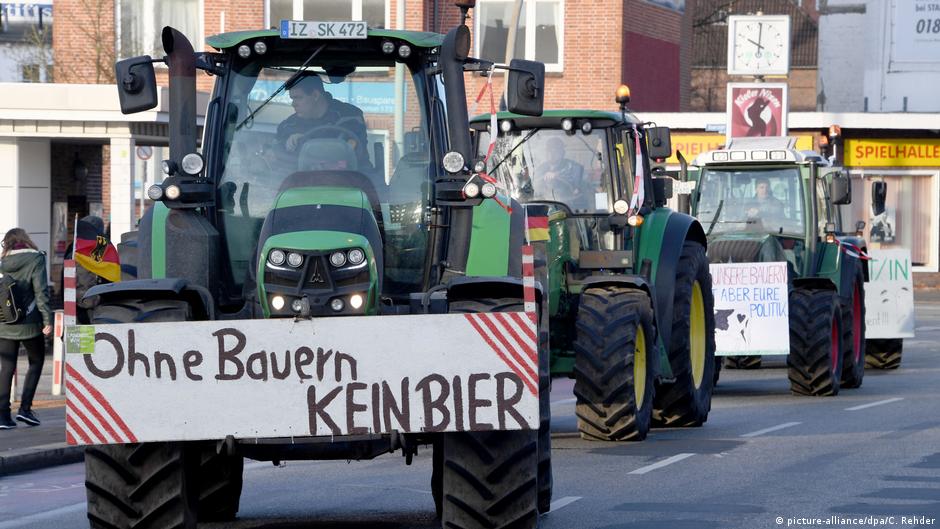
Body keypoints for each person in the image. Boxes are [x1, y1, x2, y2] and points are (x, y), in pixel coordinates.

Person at [0, 228, 52, 429]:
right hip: (30, 322)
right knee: (36, 361)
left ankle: (3, 416)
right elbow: (41, 291)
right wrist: (48, 320)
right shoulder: (36, 259)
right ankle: (25, 410)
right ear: (26, 240)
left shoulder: (4, 262)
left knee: (7, 367)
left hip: (5, 320)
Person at [272, 75, 370, 169]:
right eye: (292, 99)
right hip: (303, 182)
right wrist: (284, 146)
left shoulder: (349, 116)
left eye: (298, 98)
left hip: (351, 179)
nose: (293, 104)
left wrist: (304, 140)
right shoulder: (288, 126)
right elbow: (278, 159)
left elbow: (350, 150)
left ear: (315, 95)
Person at [536, 137, 585, 206]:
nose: (551, 153)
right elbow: (535, 187)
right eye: (549, 150)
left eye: (555, 150)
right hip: (544, 206)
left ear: (562, 152)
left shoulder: (573, 167)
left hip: (568, 207)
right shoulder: (540, 169)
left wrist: (557, 174)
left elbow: (579, 187)